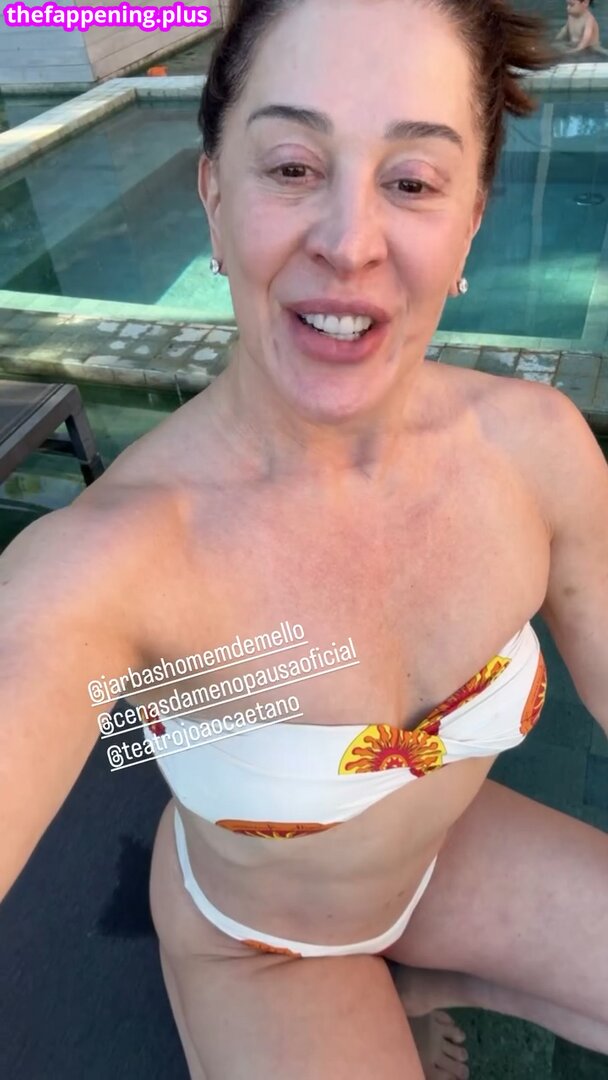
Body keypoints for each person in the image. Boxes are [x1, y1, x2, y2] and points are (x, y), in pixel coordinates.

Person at [2, 0, 607, 1077]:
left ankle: (421, 978)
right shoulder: (108, 562)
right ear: (212, 192)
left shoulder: (538, 452)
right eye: (291, 167)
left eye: (412, 182)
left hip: (444, 855)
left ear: (471, 217)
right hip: (259, 941)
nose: (348, 242)